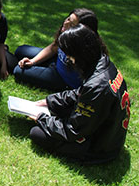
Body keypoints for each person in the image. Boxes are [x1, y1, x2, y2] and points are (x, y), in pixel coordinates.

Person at [29, 24, 130, 164]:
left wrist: (42, 118)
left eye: (69, 55)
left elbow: (73, 130)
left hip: (100, 149)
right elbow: (81, 93)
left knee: (37, 133)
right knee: (57, 111)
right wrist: (49, 101)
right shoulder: (104, 62)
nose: (69, 59)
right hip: (109, 133)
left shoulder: (96, 86)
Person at [13, 8, 106, 91]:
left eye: (72, 24)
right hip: (57, 60)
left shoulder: (86, 50)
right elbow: (54, 47)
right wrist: (33, 62)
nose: (66, 23)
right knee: (21, 50)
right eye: (68, 19)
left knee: (18, 70)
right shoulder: (66, 34)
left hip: (62, 79)